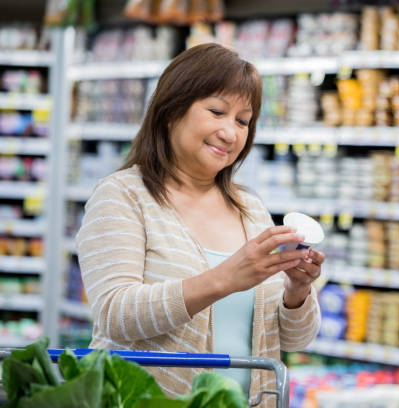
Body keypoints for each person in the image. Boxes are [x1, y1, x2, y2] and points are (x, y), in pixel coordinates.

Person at [75, 43, 324, 407]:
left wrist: (297, 291)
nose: (230, 132)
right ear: (172, 110)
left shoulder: (250, 209)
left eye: (242, 120)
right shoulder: (123, 196)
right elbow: (115, 314)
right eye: (216, 112)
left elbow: (295, 340)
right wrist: (222, 280)